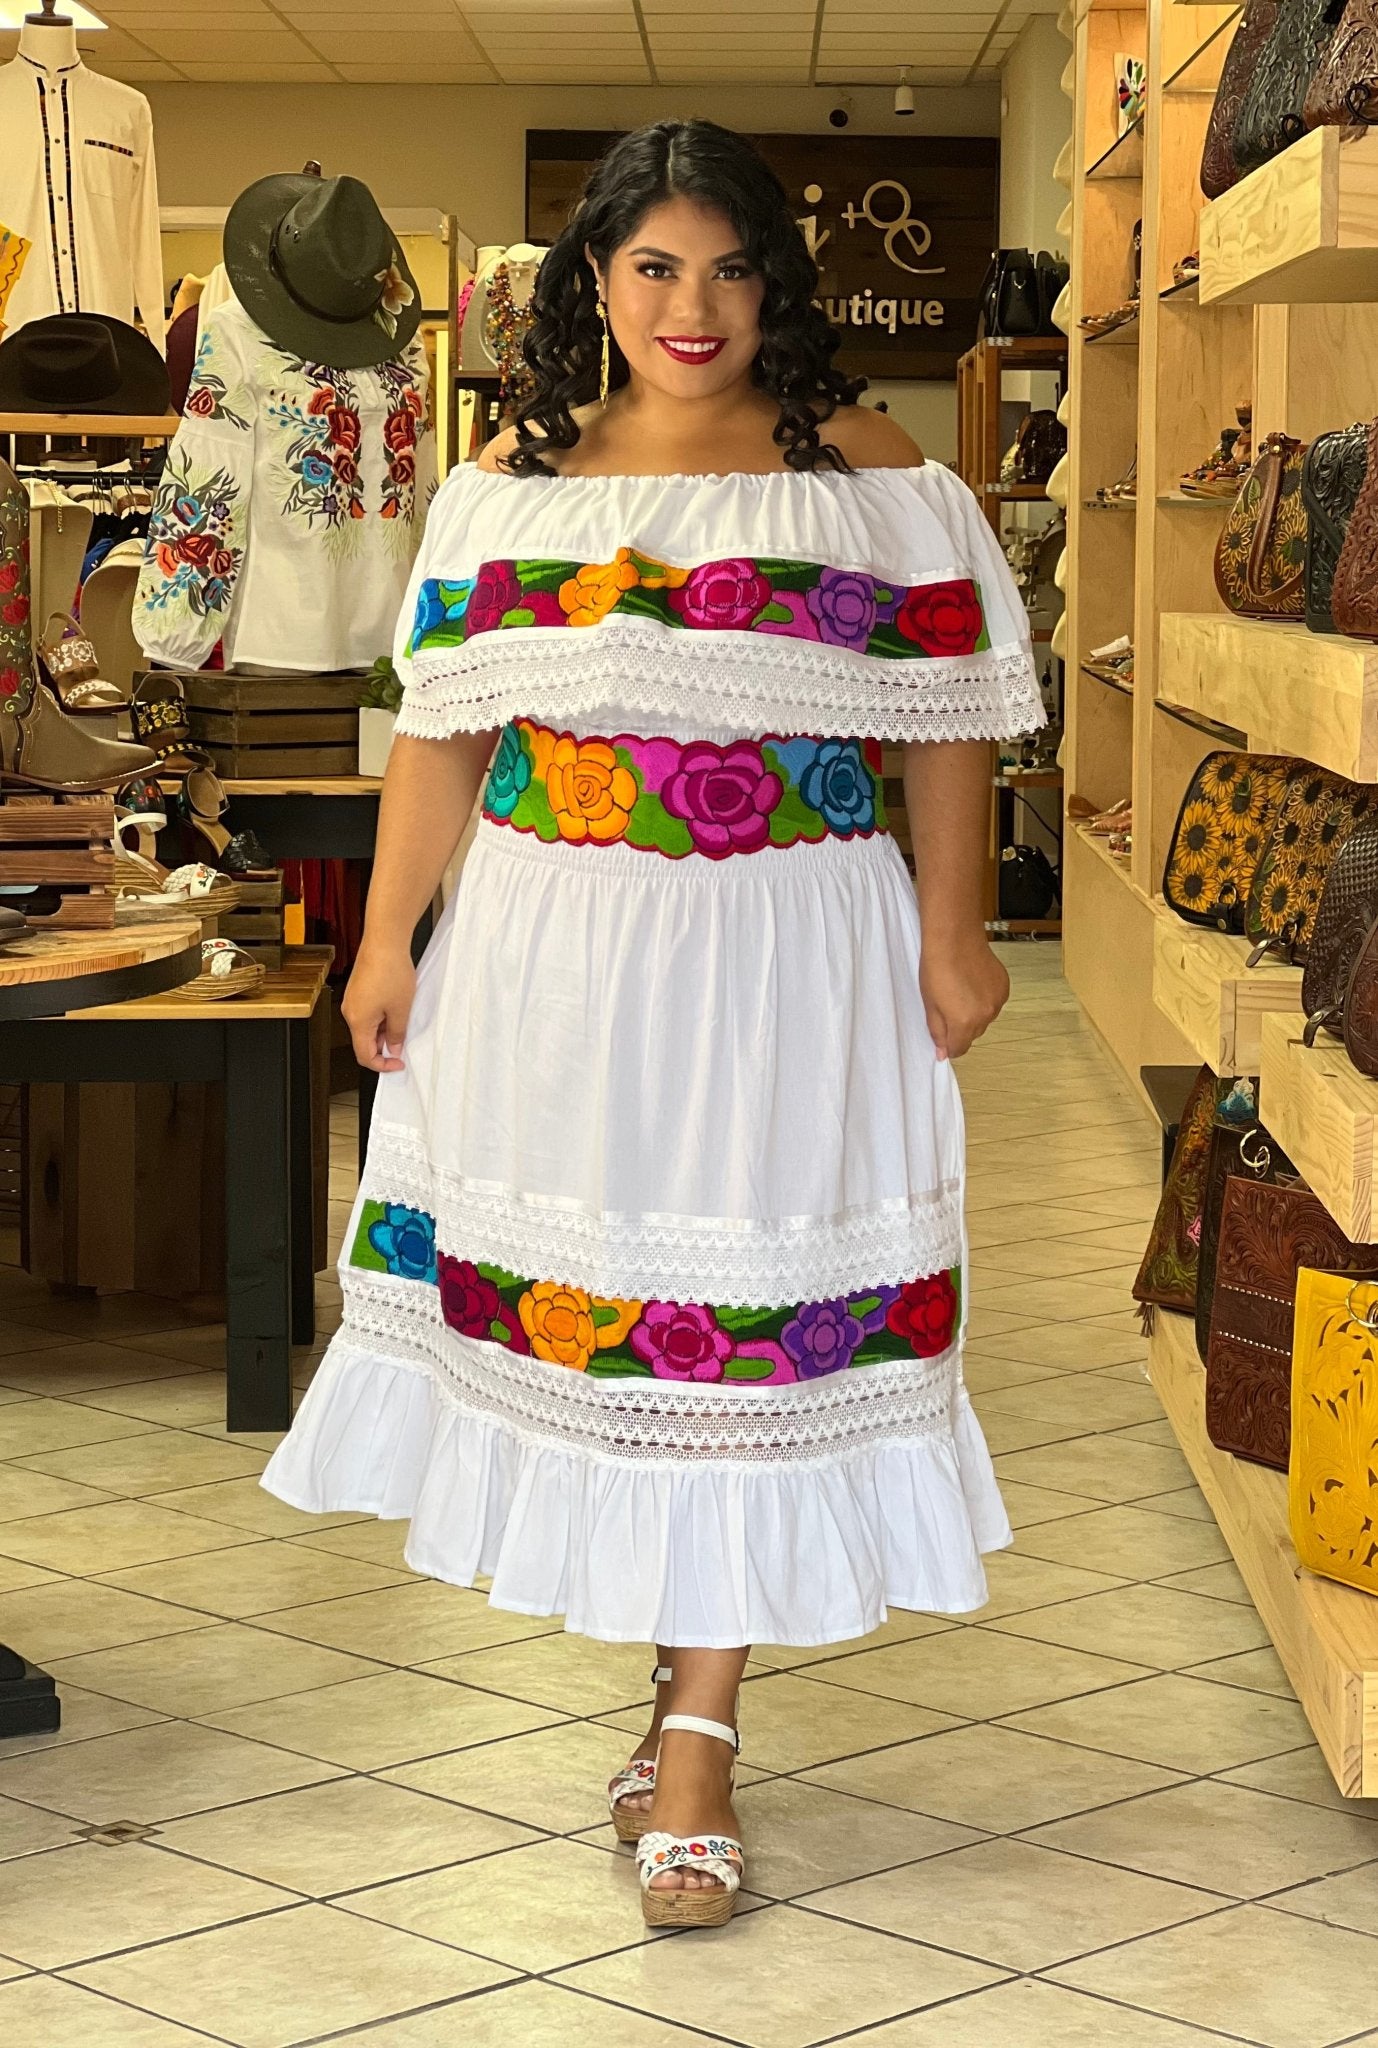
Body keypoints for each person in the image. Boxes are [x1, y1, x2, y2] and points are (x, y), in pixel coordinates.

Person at [261, 118, 1043, 1931]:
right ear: (592, 285)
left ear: (778, 282)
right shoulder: (505, 487)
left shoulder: (871, 475)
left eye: (731, 268)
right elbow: (444, 733)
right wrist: (386, 941)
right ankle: (670, 1702)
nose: (693, 309)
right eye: (653, 270)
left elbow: (945, 724)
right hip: (553, 951)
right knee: (618, 1338)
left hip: (792, 955)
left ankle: (698, 1743)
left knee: (750, 1333)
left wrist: (951, 936)